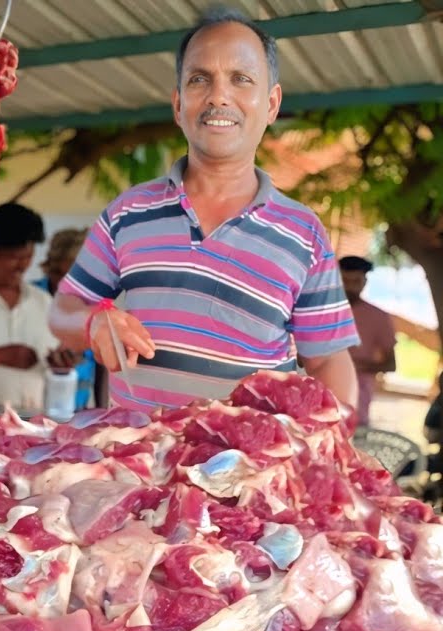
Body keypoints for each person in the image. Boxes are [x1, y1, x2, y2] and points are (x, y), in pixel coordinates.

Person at [47, 9, 358, 411]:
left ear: (272, 104)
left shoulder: (304, 233)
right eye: (199, 79)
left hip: (249, 468)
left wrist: (337, 442)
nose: (218, 96)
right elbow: (63, 309)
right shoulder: (128, 212)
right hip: (137, 465)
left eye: (241, 79)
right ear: (178, 105)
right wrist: (92, 325)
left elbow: (329, 358)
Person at [0, 202, 76, 411]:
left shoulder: (43, 302)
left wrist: (61, 364)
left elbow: (53, 364)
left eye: (28, 257)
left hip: (36, 420)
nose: (22, 266)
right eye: (15, 257)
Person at [34, 227, 101, 410]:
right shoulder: (31, 298)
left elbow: (101, 366)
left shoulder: (93, 307)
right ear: (48, 268)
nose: (63, 284)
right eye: (58, 273)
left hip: (79, 410)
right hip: (36, 409)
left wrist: (101, 412)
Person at [339, 255, 397, 426]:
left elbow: (391, 364)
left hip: (357, 403)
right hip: (315, 399)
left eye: (355, 281)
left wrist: (350, 365)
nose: (349, 287)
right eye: (345, 281)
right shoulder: (321, 310)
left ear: (365, 282)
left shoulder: (378, 317)